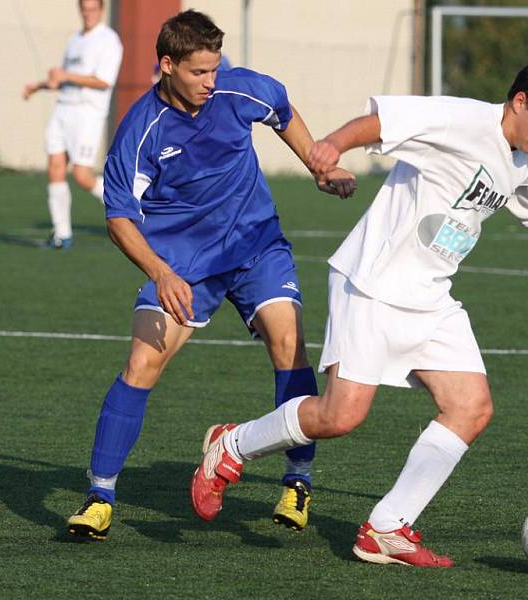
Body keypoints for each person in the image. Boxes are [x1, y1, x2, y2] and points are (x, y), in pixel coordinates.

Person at [191, 57, 528, 567]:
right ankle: (233, 445)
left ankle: (386, 528)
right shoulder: (460, 120)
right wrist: (333, 145)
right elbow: (383, 121)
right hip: (371, 283)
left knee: (471, 407)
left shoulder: (526, 155)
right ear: (519, 102)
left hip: (431, 297)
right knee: (339, 416)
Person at [65, 9, 355, 541]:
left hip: (255, 246)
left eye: (215, 69)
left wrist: (319, 165)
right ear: (167, 65)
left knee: (288, 344)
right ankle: (100, 494)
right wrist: (159, 270)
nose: (210, 82)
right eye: (199, 72)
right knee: (141, 362)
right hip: (182, 266)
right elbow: (118, 218)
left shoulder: (236, 90)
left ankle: (297, 480)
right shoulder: (141, 128)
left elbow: (282, 110)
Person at [22, 0, 123, 249]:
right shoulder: (75, 40)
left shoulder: (108, 40)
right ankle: (62, 234)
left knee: (82, 175)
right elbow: (65, 79)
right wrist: (41, 85)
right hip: (63, 108)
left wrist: (66, 76)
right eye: (84, 9)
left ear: (101, 10)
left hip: (87, 112)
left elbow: (103, 81)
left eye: (93, 9)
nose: (88, 14)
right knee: (55, 166)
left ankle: (129, 209)